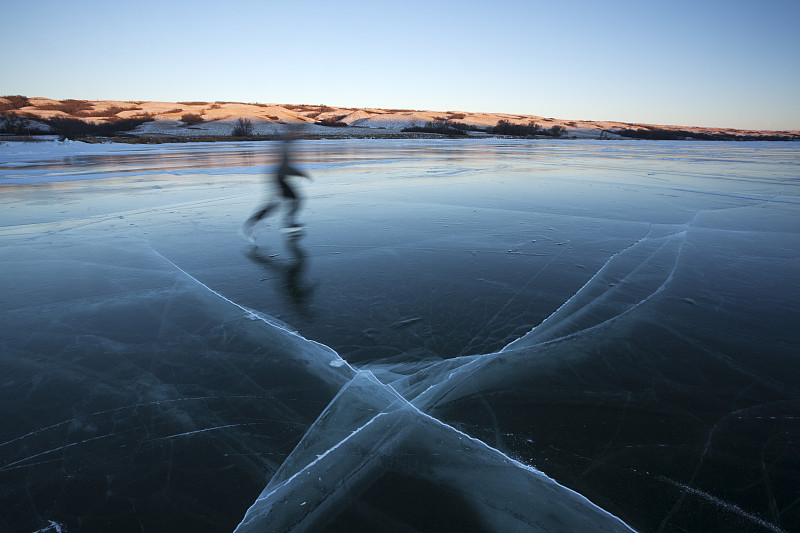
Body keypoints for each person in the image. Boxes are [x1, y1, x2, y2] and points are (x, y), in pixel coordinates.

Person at [244, 133, 311, 238]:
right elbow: (284, 168)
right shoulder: (285, 149)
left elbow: (284, 167)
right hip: (279, 179)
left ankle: (252, 223)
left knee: (278, 204)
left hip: (278, 178)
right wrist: (301, 174)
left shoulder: (285, 148)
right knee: (294, 200)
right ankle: (288, 223)